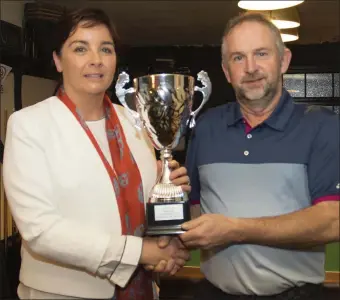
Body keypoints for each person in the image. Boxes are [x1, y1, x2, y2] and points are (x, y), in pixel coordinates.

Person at [3, 8, 191, 300]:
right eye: (80, 48)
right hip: (63, 293)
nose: (96, 60)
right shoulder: (29, 125)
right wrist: (142, 252)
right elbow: (40, 230)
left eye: (106, 49)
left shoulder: (135, 121)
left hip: (142, 288)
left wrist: (166, 200)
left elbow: (138, 209)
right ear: (57, 60)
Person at [180, 12, 340, 300]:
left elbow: (332, 220)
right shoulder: (206, 127)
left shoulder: (323, 126)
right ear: (227, 71)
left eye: (261, 54)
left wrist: (236, 230)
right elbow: (193, 209)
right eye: (238, 58)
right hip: (213, 292)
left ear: (284, 61)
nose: (251, 68)